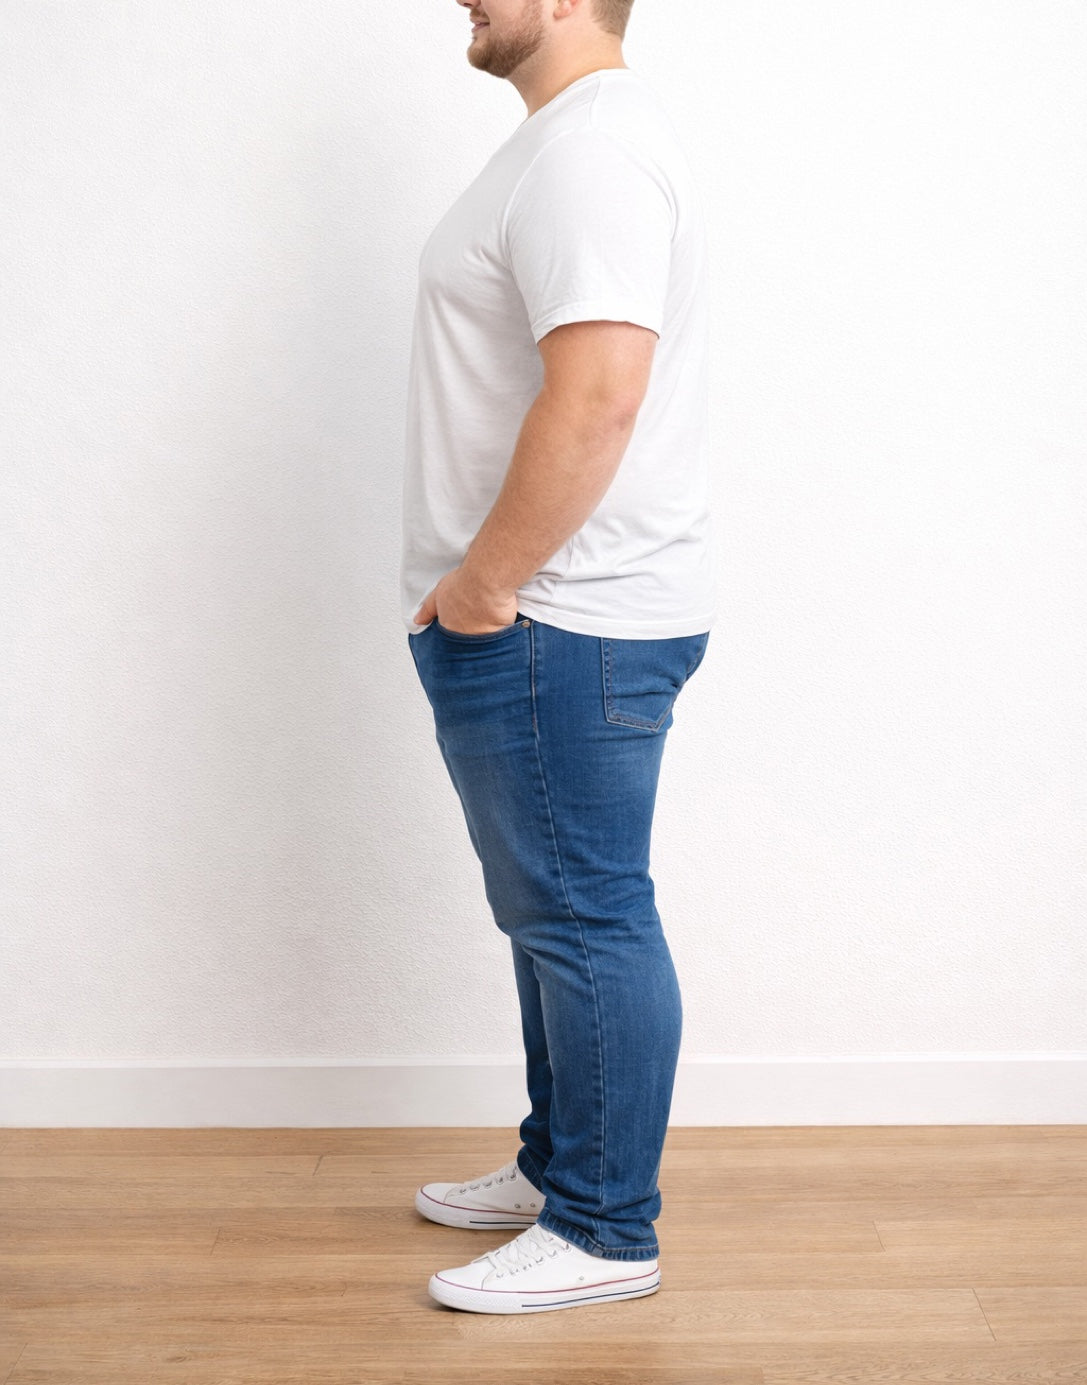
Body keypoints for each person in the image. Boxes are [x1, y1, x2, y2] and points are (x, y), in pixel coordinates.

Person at [400, 0, 714, 1315]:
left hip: (556, 618)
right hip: (546, 616)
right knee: (554, 917)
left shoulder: (588, 153)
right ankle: (559, 1167)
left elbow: (598, 391)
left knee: (586, 917)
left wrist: (488, 582)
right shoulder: (563, 143)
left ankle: (602, 1227)